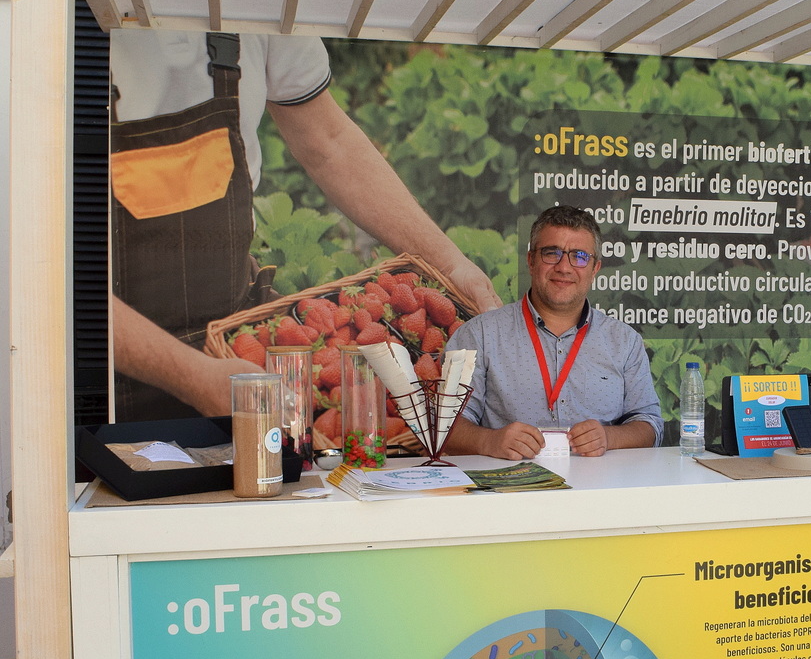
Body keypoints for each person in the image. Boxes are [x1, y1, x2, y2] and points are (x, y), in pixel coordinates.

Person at [109, 30, 502, 419]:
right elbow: (67, 282)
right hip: (109, 359)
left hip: (235, 331)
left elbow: (329, 141)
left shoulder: (265, 4)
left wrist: (450, 265)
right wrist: (193, 377)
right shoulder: (80, 14)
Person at [445, 206, 663, 459]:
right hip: (508, 481)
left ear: (595, 268)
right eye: (552, 253)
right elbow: (446, 426)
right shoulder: (479, 335)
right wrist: (489, 441)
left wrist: (608, 437)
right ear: (531, 260)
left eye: (579, 256)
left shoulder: (625, 341)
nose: (564, 267)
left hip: (599, 481)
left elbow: (650, 426)